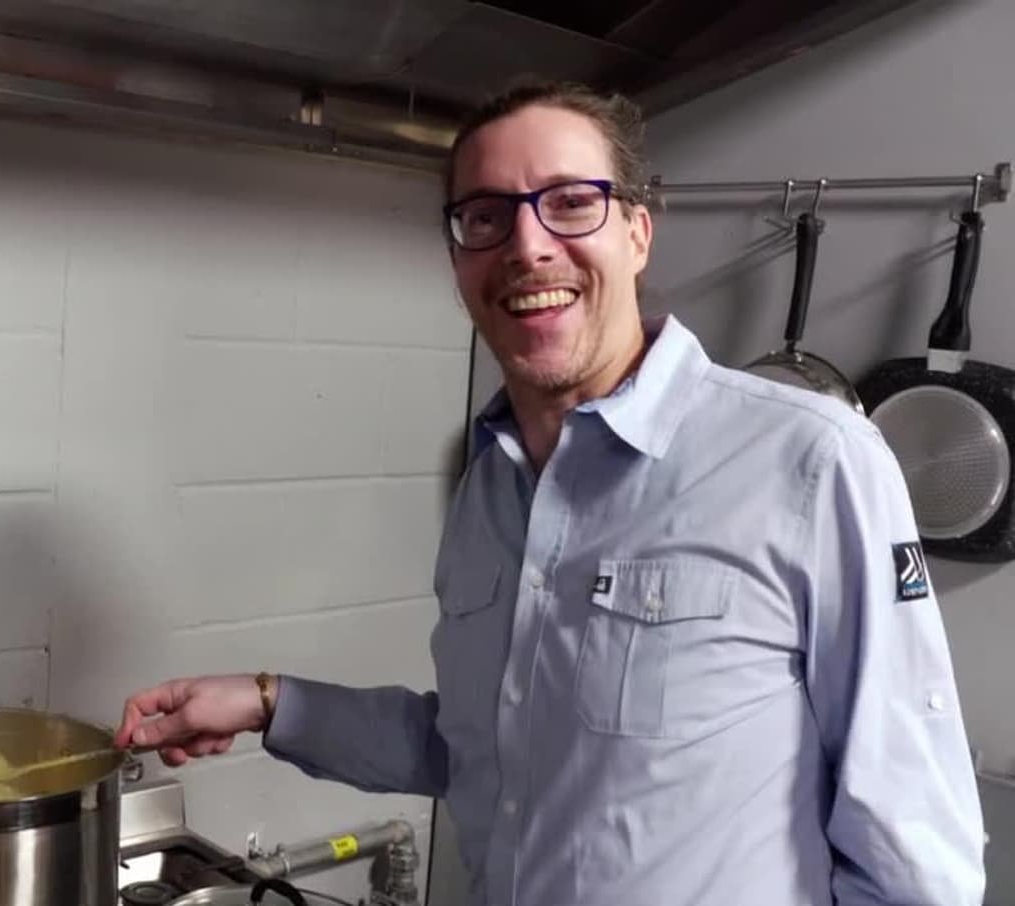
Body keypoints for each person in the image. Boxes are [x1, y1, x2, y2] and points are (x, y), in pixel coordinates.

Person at [114, 80, 986, 905]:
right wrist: (270, 702)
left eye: (571, 202)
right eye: (486, 216)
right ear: (458, 259)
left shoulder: (812, 461)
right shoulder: (489, 482)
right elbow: (476, 748)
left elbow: (915, 853)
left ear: (637, 233)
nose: (527, 246)